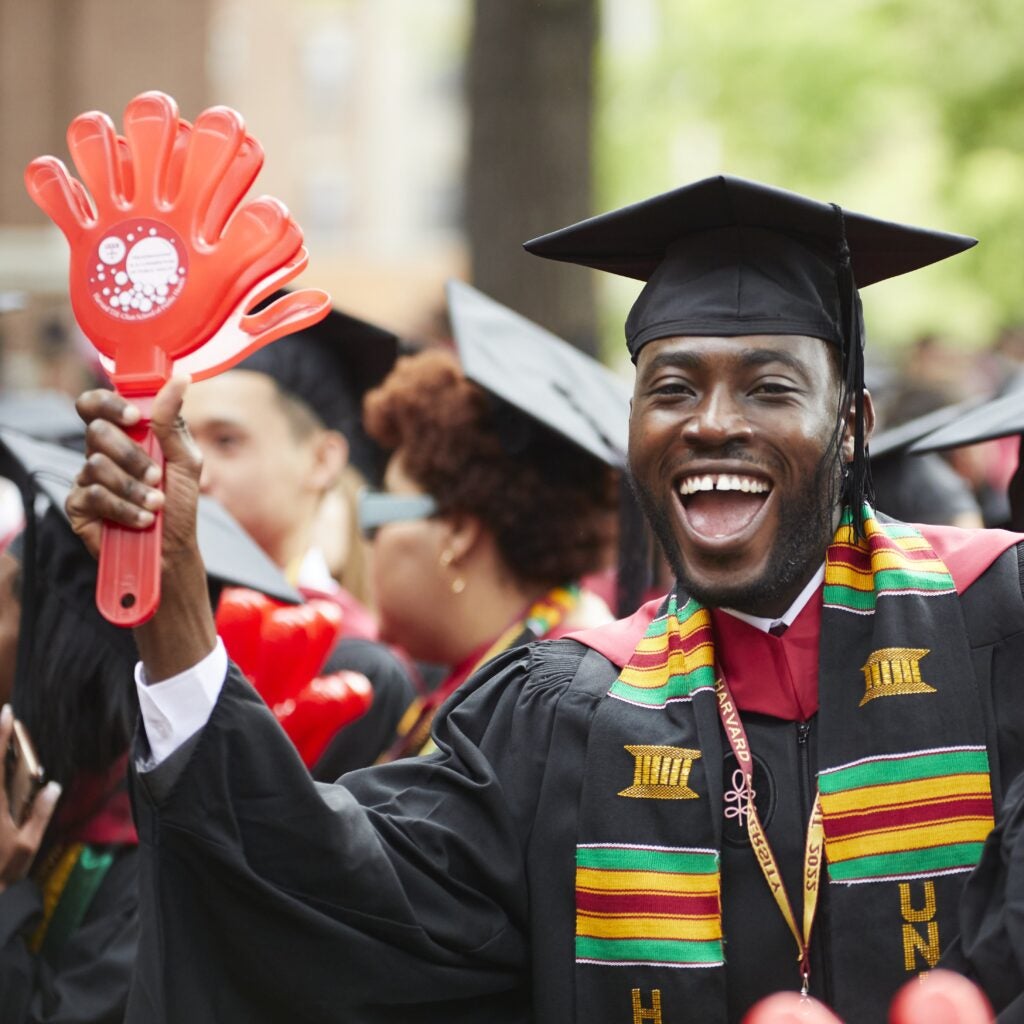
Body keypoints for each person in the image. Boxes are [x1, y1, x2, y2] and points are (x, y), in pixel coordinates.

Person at [67, 176, 1024, 1023]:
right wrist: (176, 593)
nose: (713, 423)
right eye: (673, 387)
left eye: (770, 387)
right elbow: (326, 891)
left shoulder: (998, 622)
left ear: (851, 426)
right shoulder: (565, 713)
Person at [357, 281, 624, 761]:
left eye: (381, 513)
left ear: (458, 532)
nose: (369, 542)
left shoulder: (558, 696)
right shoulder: (491, 676)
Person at [180, 305, 417, 775]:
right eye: (182, 438)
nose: (193, 470)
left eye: (226, 441)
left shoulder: (357, 665)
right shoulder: (150, 620)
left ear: (322, 460)